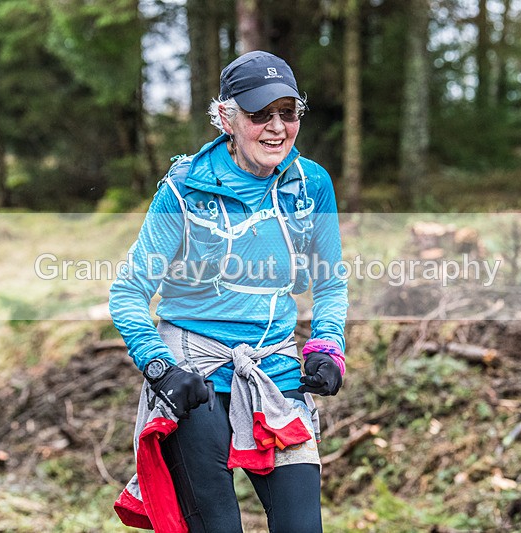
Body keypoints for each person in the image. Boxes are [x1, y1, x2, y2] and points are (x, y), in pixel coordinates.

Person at [109, 50, 348, 533]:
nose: (277, 127)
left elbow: (329, 281)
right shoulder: (183, 190)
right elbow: (129, 291)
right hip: (192, 371)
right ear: (226, 118)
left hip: (274, 363)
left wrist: (327, 345)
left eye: (288, 112)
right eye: (260, 115)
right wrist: (159, 365)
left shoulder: (311, 184)